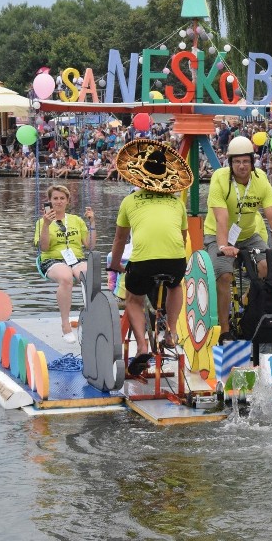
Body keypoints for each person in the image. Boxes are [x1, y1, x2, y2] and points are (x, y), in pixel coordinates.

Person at [109, 139, 193, 373]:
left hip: (144, 262)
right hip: (174, 260)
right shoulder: (177, 204)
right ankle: (172, 332)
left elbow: (119, 239)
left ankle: (142, 346)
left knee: (133, 298)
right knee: (176, 286)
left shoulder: (130, 201)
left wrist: (115, 264)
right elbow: (183, 238)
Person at [203, 136, 272, 342]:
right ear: (230, 163)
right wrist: (224, 245)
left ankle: (249, 303)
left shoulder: (261, 180)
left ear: (252, 163)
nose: (241, 166)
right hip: (218, 234)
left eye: (245, 161)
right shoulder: (220, 178)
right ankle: (225, 328)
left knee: (268, 267)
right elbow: (221, 217)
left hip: (249, 234)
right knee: (224, 276)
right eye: (237, 162)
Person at [34, 185, 96, 343]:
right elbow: (44, 247)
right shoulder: (42, 222)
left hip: (76, 258)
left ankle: (91, 316)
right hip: (52, 258)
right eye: (55, 198)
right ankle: (65, 324)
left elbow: (90, 246)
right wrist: (47, 225)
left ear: (68, 201)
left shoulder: (76, 220)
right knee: (66, 277)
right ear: (50, 201)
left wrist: (92, 222)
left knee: (88, 274)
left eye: (62, 198)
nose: (59, 201)